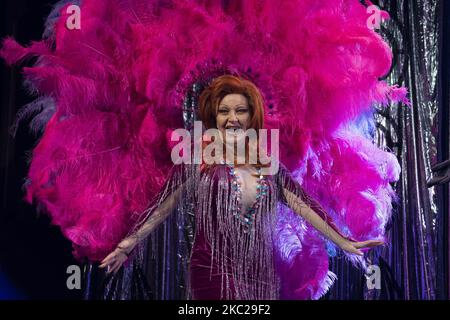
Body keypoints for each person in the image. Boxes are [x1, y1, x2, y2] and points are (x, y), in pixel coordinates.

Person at [99, 75, 383, 300]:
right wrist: (128, 244)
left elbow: (304, 206)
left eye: (240, 110)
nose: (232, 118)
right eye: (224, 111)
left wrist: (343, 241)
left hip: (259, 273)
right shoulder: (198, 159)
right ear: (214, 116)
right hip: (210, 274)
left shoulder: (268, 164)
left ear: (251, 117)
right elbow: (163, 204)